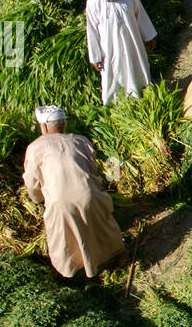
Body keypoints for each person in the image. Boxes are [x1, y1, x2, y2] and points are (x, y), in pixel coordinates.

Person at [22, 105, 125, 280]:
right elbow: (94, 171)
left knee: (65, 242)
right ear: (64, 124)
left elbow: (32, 183)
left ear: (44, 127)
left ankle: (74, 274)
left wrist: (37, 200)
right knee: (101, 229)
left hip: (59, 203)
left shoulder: (35, 148)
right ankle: (116, 258)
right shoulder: (81, 141)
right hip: (89, 195)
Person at [85, 0, 157, 105]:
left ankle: (142, 95)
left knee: (136, 68)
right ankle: (115, 103)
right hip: (109, 50)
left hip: (132, 42)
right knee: (113, 76)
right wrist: (95, 57)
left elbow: (139, 14)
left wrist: (148, 37)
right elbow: (92, 31)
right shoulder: (93, 3)